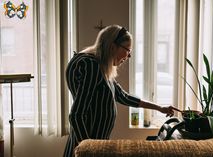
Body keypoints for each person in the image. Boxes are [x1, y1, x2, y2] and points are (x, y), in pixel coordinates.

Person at [63, 25, 177, 157]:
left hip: (95, 144)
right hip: (87, 147)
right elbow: (77, 115)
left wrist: (159, 108)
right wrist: (88, 148)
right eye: (128, 50)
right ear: (112, 46)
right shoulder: (91, 66)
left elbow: (123, 96)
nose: (129, 56)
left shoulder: (100, 67)